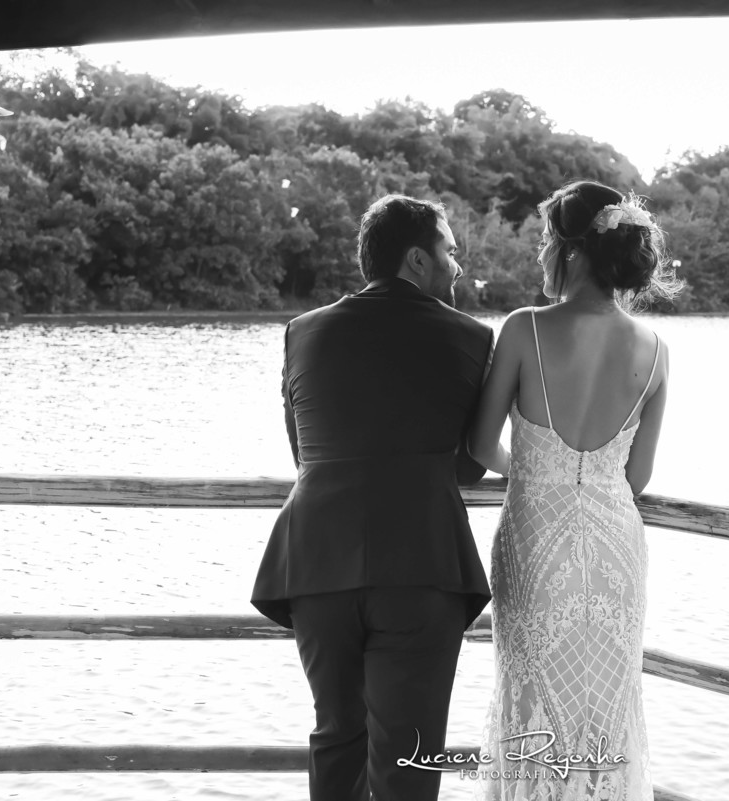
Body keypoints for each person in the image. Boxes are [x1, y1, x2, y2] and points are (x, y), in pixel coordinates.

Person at [250, 194, 495, 801]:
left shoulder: (302, 331)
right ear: (417, 259)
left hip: (315, 561)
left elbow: (303, 452)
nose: (457, 267)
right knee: (408, 757)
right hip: (419, 565)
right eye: (450, 251)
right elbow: (468, 465)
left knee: (336, 736)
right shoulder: (470, 337)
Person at [468, 181, 681, 800]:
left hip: (537, 539)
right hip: (616, 546)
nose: (540, 254)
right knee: (606, 704)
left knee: (531, 699)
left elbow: (483, 447)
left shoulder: (523, 329)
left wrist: (534, 471)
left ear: (570, 250)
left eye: (544, 241)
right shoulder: (656, 349)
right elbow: (635, 478)